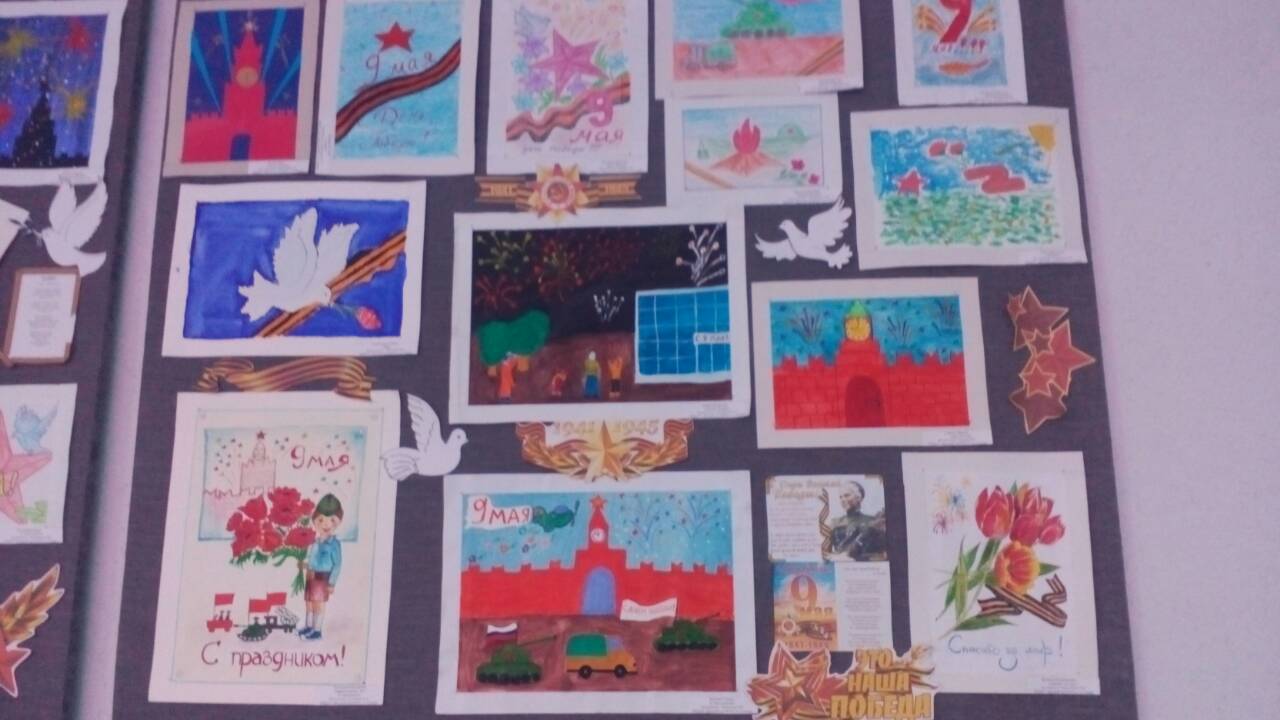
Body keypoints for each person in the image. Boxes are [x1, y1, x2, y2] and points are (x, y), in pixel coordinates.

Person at [299, 494, 343, 640]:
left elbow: (337, 565)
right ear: (314, 520)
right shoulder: (315, 542)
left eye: (332, 520)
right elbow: (314, 561)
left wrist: (331, 583)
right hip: (311, 576)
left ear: (338, 522)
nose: (326, 524)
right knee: (309, 603)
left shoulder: (334, 544)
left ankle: (317, 630)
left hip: (322, 578)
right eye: (321, 520)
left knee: (318, 604)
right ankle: (309, 627)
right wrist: (304, 565)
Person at [826, 482, 887, 561]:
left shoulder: (873, 521)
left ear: (859, 497)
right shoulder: (835, 522)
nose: (843, 500)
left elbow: (883, 554)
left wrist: (857, 559)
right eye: (840, 497)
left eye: (847, 495)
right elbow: (826, 553)